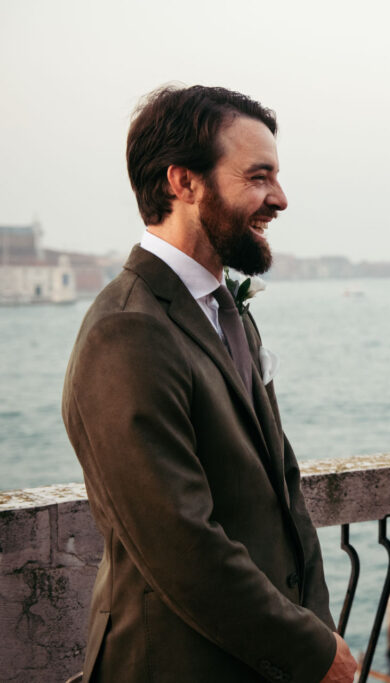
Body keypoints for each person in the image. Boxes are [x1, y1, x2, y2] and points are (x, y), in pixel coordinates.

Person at [62, 85, 356, 682]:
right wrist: (308, 649)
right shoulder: (127, 330)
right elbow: (179, 541)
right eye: (258, 176)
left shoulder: (226, 310)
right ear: (184, 182)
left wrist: (317, 628)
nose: (279, 198)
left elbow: (282, 491)